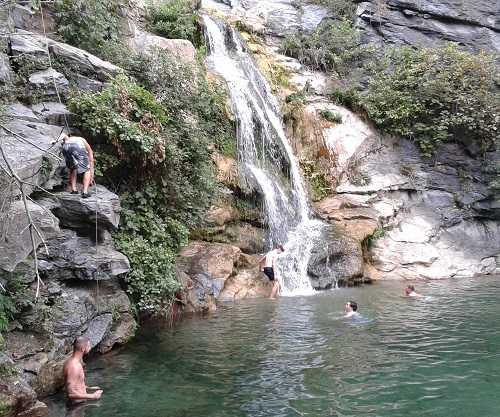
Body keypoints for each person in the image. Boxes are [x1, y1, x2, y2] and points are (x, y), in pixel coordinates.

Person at [64, 336, 103, 402]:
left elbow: (76, 383)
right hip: (75, 408)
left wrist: (88, 388)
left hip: (79, 405)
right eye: (89, 346)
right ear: (82, 348)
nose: (90, 348)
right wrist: (93, 396)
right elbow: (71, 394)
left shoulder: (73, 362)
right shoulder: (74, 366)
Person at [60, 133, 94, 198]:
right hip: (77, 146)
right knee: (87, 169)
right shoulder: (81, 139)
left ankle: (74, 190)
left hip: (65, 147)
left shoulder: (69, 139)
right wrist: (91, 175)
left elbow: (63, 135)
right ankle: (85, 192)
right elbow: (91, 158)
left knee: (73, 168)